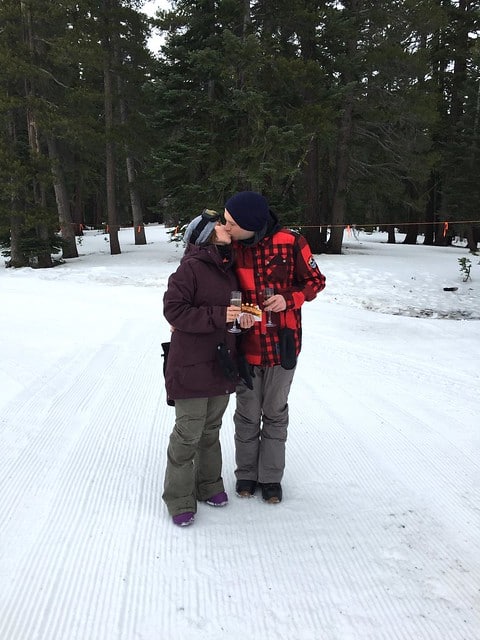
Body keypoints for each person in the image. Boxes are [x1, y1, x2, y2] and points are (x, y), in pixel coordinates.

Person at [223, 191, 326, 504]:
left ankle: (270, 478)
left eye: (230, 223)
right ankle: (245, 475)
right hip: (245, 346)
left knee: (275, 414)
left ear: (251, 225)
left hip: (283, 346)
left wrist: (289, 298)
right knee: (247, 416)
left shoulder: (291, 242)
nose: (225, 227)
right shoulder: (231, 248)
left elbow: (316, 281)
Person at [162, 209, 241, 526]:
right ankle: (179, 497)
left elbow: (232, 311)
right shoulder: (190, 268)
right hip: (192, 365)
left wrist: (243, 318)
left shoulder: (228, 266)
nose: (226, 227)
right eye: (220, 225)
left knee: (211, 431)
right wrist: (218, 316)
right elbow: (174, 311)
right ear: (207, 235)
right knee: (187, 435)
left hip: (220, 364)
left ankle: (209, 485)